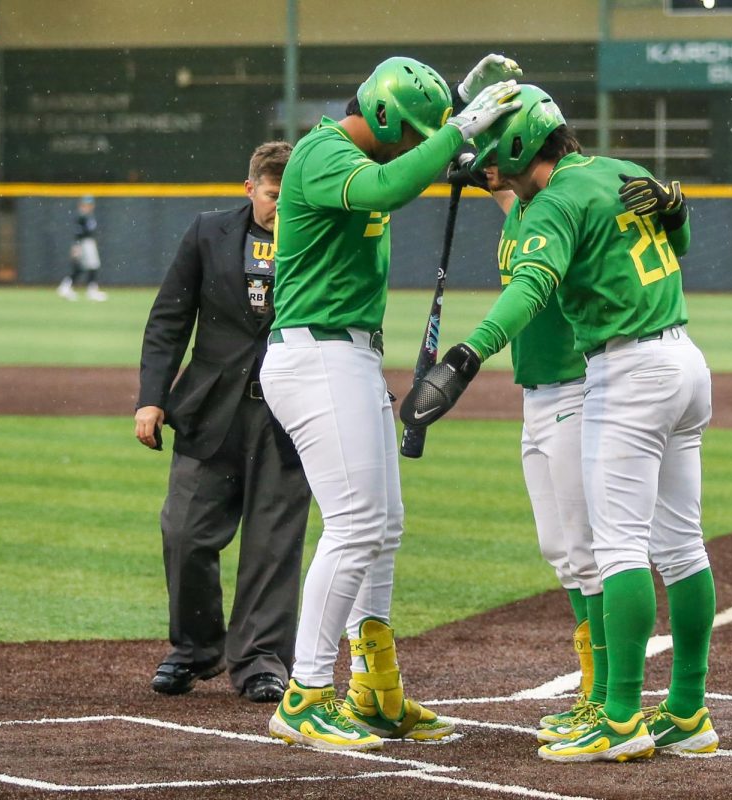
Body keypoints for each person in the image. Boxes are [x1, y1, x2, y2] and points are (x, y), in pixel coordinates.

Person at [403, 85, 719, 763]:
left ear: (520, 144)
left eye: (494, 149)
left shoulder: (555, 202)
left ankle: (621, 716)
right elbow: (677, 237)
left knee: (620, 551)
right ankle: (688, 710)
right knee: (683, 548)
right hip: (685, 359)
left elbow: (530, 287)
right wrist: (681, 212)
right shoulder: (619, 171)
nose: (486, 161)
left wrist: (468, 353)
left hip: (628, 372)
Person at [259, 54, 523, 752]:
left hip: (344, 355)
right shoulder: (321, 152)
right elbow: (393, 185)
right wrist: (455, 128)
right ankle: (306, 694)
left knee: (383, 526)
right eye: (408, 131)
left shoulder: (351, 148)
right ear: (379, 114)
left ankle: (374, 692)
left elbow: (404, 167)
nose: (417, 146)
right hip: (315, 354)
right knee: (355, 524)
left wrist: (454, 111)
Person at [135, 142, 312, 704]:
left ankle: (260, 660)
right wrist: (151, 397)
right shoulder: (207, 232)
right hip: (210, 408)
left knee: (271, 545)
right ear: (250, 187)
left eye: (291, 198)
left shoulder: (317, 236)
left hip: (288, 412)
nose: (280, 208)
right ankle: (194, 649)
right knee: (183, 532)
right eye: (271, 196)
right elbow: (169, 319)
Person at [450, 156, 605, 743]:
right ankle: (592, 684)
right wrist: (478, 176)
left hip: (573, 388)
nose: (487, 166)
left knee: (587, 552)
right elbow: (509, 199)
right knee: (559, 550)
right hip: (536, 397)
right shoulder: (518, 211)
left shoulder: (552, 213)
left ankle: (603, 694)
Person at [58, 196, 107, 301]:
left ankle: (66, 287)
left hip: (88, 242)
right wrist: (76, 246)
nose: (88, 206)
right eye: (85, 204)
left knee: (83, 267)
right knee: (88, 266)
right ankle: (89, 290)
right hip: (83, 243)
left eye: (89, 204)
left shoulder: (88, 216)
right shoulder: (81, 217)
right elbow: (78, 233)